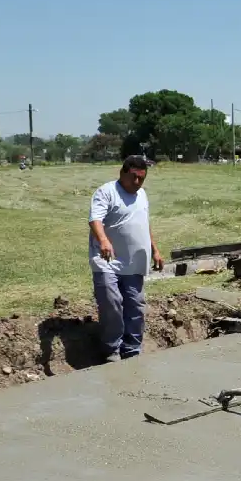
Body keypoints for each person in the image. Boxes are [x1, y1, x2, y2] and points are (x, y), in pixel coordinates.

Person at [88, 155, 165, 363]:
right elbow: (95, 219)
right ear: (122, 173)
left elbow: (144, 223)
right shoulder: (107, 192)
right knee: (112, 302)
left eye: (142, 178)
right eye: (133, 177)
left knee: (135, 307)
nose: (137, 182)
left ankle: (132, 350)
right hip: (107, 260)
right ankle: (112, 349)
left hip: (134, 262)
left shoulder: (142, 195)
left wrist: (155, 250)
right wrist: (103, 240)